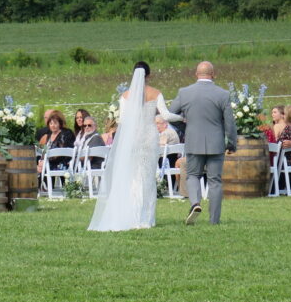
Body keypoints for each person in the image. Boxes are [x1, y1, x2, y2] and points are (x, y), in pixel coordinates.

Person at [89, 61, 184, 231]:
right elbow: (167, 116)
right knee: (147, 177)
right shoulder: (155, 93)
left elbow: (123, 120)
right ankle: (146, 218)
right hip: (149, 136)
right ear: (149, 75)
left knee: (134, 176)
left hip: (133, 138)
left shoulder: (126, 96)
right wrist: (182, 118)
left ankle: (133, 216)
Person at [167, 61, 237, 226]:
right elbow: (230, 123)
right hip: (216, 142)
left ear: (196, 74)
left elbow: (170, 114)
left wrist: (185, 127)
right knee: (215, 181)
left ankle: (195, 203)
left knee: (192, 175)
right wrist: (231, 143)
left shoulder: (184, 92)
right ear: (213, 74)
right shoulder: (223, 94)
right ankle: (214, 220)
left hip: (193, 140)